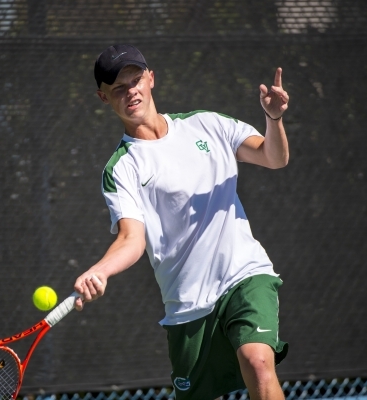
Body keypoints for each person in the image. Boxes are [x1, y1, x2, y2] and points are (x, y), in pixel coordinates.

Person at [73, 44, 290, 400]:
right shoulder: (122, 168)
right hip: (187, 304)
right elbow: (132, 239)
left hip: (244, 275)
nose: (132, 92)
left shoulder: (207, 124)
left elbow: (273, 157)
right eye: (119, 88)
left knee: (258, 363)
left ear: (151, 78)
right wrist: (101, 271)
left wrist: (274, 119)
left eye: (136, 80)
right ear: (104, 98)